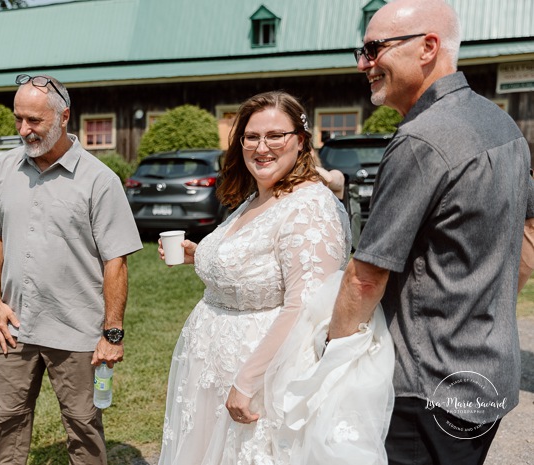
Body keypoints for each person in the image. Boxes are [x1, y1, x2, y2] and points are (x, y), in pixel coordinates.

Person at [326, 1, 534, 464]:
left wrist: (329, 366)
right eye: (362, 50)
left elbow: (365, 278)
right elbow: (530, 230)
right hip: (487, 378)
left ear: (429, 47)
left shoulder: (421, 139)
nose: (364, 63)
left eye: (375, 48)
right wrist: (486, 301)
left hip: (426, 387)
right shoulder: (502, 124)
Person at [158, 90, 395, 465]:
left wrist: (248, 380)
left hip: (262, 377)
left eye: (275, 136)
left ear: (300, 141)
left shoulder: (311, 207)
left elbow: (305, 307)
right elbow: (262, 263)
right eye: (251, 137)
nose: (261, 147)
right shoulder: (258, 197)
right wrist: (201, 255)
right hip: (209, 372)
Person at [0, 74, 142, 465]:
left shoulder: (100, 180)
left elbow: (116, 260)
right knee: (6, 420)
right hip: (15, 325)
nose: (23, 130)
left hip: (77, 328)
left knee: (82, 422)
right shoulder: (3, 169)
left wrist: (111, 333)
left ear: (64, 116)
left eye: (34, 121)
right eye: (18, 119)